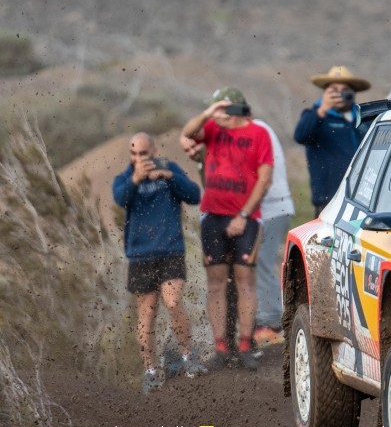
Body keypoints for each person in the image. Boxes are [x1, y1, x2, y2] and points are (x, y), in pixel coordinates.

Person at [182, 87, 274, 369]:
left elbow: (264, 178)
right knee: (216, 281)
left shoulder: (259, 134)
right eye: (214, 109)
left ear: (236, 108)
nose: (216, 114)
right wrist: (209, 113)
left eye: (222, 108)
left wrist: (243, 215)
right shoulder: (211, 128)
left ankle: (245, 345)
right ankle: (221, 347)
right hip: (213, 214)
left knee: (245, 280)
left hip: (246, 216)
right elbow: (188, 133)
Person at [112, 132, 207, 394]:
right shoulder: (124, 178)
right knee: (147, 314)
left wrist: (170, 177)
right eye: (134, 154)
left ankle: (189, 356)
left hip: (170, 249)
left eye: (143, 153)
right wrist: (136, 179)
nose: (139, 158)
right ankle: (150, 371)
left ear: (153, 152)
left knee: (173, 301)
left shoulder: (169, 169)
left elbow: (195, 195)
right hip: (141, 254)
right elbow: (120, 198)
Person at [294, 66, 370, 217]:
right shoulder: (314, 117)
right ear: (325, 93)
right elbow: (300, 136)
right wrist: (322, 110)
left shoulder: (365, 119)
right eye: (334, 90)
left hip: (363, 199)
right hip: (329, 200)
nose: (339, 94)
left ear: (353, 92)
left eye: (345, 89)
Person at [252, 116, 294, 348]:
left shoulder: (256, 131)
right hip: (271, 207)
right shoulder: (259, 127)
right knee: (259, 262)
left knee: (262, 262)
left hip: (272, 208)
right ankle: (266, 320)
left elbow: (261, 175)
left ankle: (272, 325)